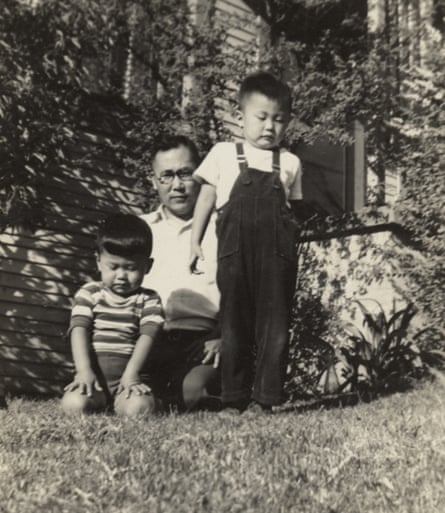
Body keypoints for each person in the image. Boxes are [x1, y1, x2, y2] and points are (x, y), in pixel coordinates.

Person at [190, 71, 303, 413]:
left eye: (279, 120)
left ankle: (265, 400)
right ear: (240, 118)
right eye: (262, 117)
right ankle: (233, 398)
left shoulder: (291, 162)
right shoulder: (224, 153)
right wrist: (194, 242)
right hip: (234, 254)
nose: (270, 127)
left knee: (275, 327)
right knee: (234, 326)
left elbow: (292, 211)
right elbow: (207, 197)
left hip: (275, 256)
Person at [140, 135, 221, 411]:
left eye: (185, 174)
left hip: (205, 340)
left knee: (193, 394)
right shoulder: (141, 229)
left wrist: (223, 336)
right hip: (149, 340)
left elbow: (244, 292)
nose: (177, 185)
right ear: (154, 181)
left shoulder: (222, 228)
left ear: (200, 174)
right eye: (167, 176)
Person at [61, 213, 164, 416]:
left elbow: (147, 336)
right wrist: (83, 371)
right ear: (99, 262)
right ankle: (97, 401)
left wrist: (132, 375)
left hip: (129, 378)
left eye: (131, 268)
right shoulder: (90, 293)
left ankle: (138, 402)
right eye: (113, 267)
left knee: (139, 408)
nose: (121, 276)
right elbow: (79, 330)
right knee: (73, 405)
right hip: (93, 378)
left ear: (148, 266)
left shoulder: (149, 299)